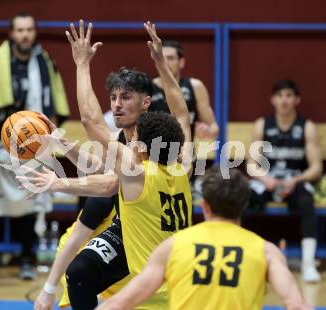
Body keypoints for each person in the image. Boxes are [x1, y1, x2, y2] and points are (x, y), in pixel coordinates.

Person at [19, 21, 191, 310]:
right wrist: (63, 144)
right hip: (140, 229)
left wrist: (81, 64)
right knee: (79, 271)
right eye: (114, 98)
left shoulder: (136, 165)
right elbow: (182, 114)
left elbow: (93, 130)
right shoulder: (180, 160)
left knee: (92, 218)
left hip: (148, 249)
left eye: (126, 97)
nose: (117, 105)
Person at [96, 168, 312, 310]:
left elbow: (121, 302)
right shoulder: (267, 251)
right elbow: (296, 305)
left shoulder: (173, 246)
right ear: (244, 205)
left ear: (205, 206)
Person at [0, 12, 70, 281]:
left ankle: (27, 258)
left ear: (34, 33)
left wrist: (50, 141)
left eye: (29, 30)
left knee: (31, 202)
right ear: (11, 34)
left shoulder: (45, 63)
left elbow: (55, 105)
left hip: (33, 146)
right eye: (20, 30)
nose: (25, 34)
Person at [247, 79, 323, 283]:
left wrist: (296, 180)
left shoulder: (306, 127)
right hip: (268, 181)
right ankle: (249, 259)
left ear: (297, 100)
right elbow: (251, 164)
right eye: (280, 96)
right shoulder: (262, 125)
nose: (284, 100)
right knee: (246, 199)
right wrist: (266, 179)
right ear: (273, 100)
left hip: (294, 182)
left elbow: (316, 166)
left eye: (289, 95)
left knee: (307, 202)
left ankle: (307, 264)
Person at [150, 40, 218, 140]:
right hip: (153, 153)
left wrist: (207, 131)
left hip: (185, 153)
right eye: (161, 58)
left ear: (181, 62)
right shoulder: (147, 88)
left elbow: (214, 127)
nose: (165, 63)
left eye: (170, 58)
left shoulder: (195, 86)